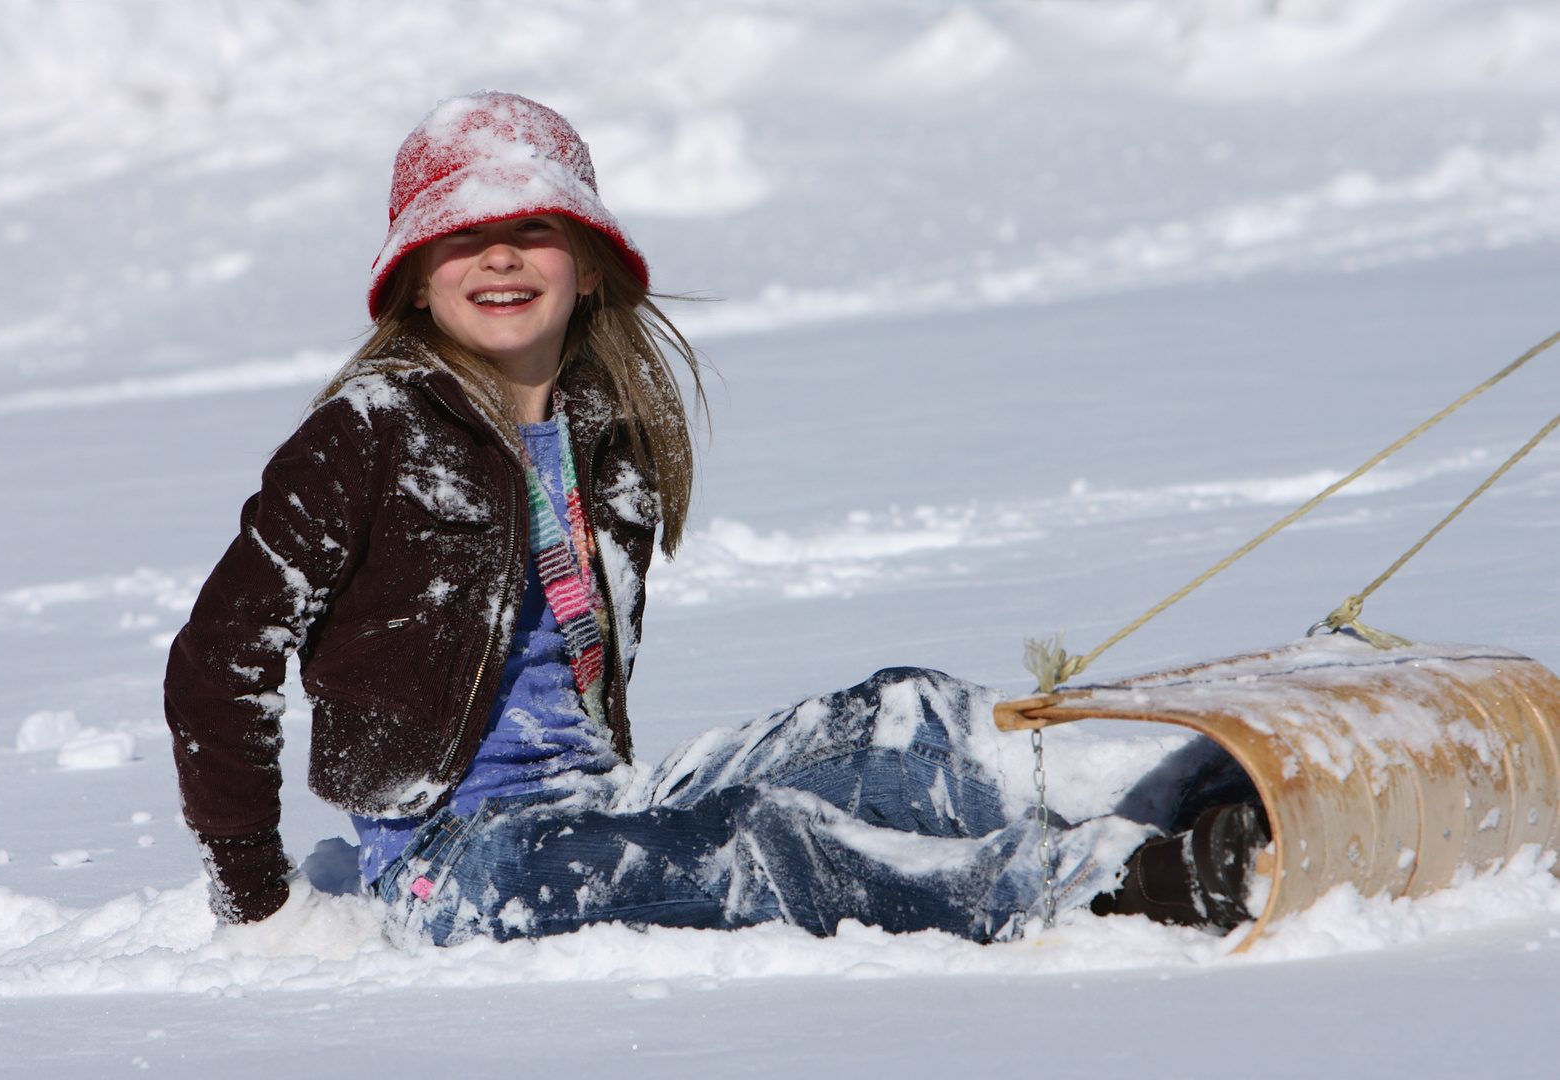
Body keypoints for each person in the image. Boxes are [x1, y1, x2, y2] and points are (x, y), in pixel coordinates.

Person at [165, 92, 1267, 945]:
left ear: (590, 267)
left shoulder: (607, 435)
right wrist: (261, 902)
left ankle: (1174, 791)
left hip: (599, 796)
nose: (499, 256)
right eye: (462, 236)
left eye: (534, 227)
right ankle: (1104, 888)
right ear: (412, 280)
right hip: (453, 864)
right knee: (751, 849)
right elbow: (219, 662)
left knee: (896, 718)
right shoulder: (369, 432)